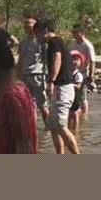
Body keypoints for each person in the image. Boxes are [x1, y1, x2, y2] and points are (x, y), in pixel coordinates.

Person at [36, 19, 80, 155]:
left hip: (63, 88)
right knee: (53, 126)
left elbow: (57, 59)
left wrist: (51, 81)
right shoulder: (54, 43)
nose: (37, 38)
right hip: (59, 88)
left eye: (37, 34)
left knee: (60, 126)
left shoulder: (54, 42)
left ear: (45, 31)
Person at [17, 15, 47, 118]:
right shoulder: (23, 42)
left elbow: (46, 59)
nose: (26, 25)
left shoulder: (41, 42)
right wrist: (18, 74)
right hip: (25, 75)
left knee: (42, 105)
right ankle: (33, 127)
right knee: (28, 106)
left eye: (29, 23)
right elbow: (20, 59)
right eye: (25, 23)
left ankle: (49, 126)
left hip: (38, 75)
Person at [71, 24, 96, 118]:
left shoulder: (88, 45)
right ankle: (76, 114)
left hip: (83, 74)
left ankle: (84, 116)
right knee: (74, 96)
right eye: (73, 32)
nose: (73, 34)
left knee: (82, 97)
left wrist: (91, 75)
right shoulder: (73, 43)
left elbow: (92, 61)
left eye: (75, 32)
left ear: (81, 33)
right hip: (73, 72)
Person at [68, 50, 86, 136]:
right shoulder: (68, 73)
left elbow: (78, 86)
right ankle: (69, 129)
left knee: (75, 114)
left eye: (77, 60)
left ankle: (75, 131)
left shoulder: (78, 75)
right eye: (72, 59)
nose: (74, 62)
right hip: (69, 96)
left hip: (76, 97)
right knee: (68, 114)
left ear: (80, 62)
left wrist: (69, 85)